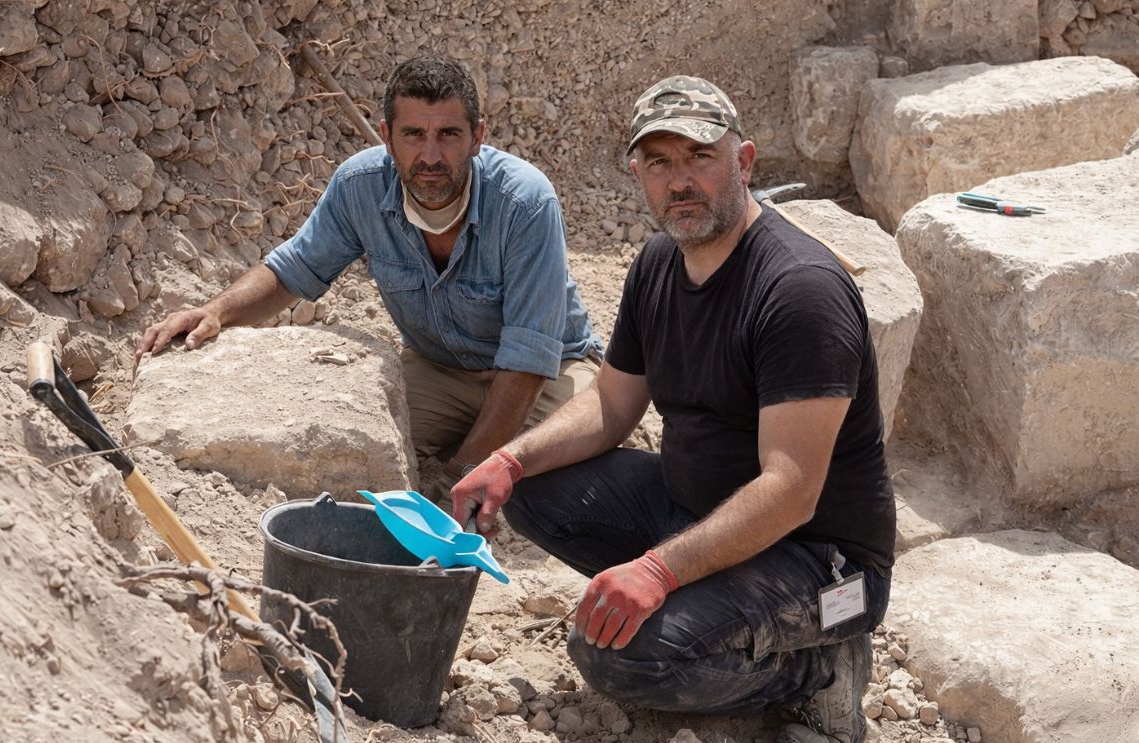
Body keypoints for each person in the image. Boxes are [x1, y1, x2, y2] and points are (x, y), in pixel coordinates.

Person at [450, 75, 894, 743]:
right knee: (532, 487)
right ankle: (700, 600)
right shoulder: (659, 262)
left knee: (617, 655)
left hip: (829, 571)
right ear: (638, 173)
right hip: (694, 509)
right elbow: (609, 402)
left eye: (698, 157)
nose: (678, 180)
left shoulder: (800, 291)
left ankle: (817, 670)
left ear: (742, 162)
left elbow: (792, 489)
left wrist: (657, 570)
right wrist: (508, 459)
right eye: (659, 162)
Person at [138, 56, 603, 478]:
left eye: (449, 135)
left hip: (551, 373)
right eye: (414, 135)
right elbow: (293, 271)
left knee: (552, 475)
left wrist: (460, 473)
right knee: (367, 459)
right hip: (440, 368)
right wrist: (218, 310)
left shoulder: (525, 201)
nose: (431, 157)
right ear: (387, 137)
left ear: (478, 137)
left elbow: (527, 361)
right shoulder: (359, 186)